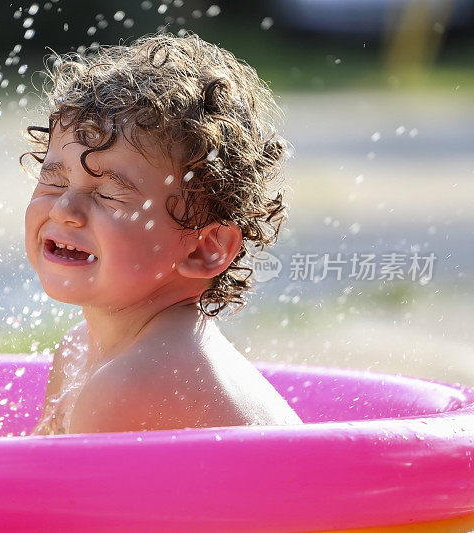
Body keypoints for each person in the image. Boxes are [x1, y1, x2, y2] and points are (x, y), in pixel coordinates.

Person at [22, 32, 303, 435]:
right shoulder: (78, 350)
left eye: (108, 194)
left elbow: (53, 498)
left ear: (204, 248)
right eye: (54, 182)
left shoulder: (133, 383)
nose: (65, 209)